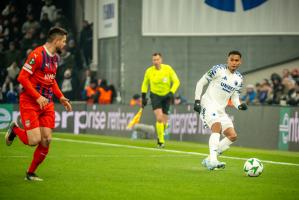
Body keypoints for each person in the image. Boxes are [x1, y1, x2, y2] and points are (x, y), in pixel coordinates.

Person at [5, 27, 72, 181]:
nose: (64, 44)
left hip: (47, 103)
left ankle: (30, 173)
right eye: (63, 41)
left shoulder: (55, 58)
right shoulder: (37, 55)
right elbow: (22, 77)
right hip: (30, 101)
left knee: (47, 139)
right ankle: (15, 129)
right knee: (33, 141)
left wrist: (61, 96)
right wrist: (37, 97)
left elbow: (51, 79)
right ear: (56, 41)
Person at [194, 50, 247, 170]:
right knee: (216, 127)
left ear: (240, 62)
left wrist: (239, 105)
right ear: (227, 60)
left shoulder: (239, 78)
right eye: (231, 60)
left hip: (220, 110)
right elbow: (201, 82)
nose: (234, 62)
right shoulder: (218, 69)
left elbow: (234, 97)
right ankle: (213, 160)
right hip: (208, 103)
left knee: (232, 136)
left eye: (236, 60)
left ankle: (209, 159)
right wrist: (197, 100)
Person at [141, 53, 180, 148]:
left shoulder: (168, 69)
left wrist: (171, 92)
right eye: (154, 60)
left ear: (161, 60)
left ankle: (160, 135)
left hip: (167, 96)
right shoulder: (149, 71)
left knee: (165, 122)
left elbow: (176, 81)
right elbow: (145, 84)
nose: (156, 62)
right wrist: (143, 97)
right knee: (159, 118)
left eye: (157, 59)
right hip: (155, 96)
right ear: (152, 61)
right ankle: (161, 141)